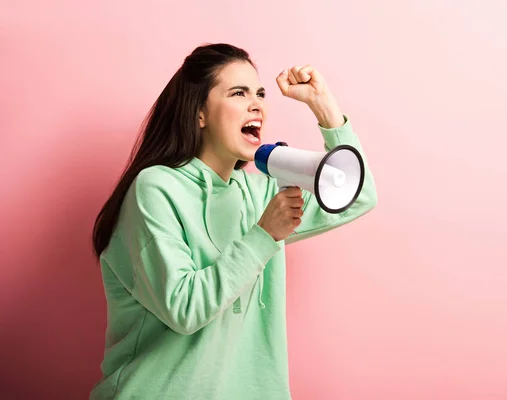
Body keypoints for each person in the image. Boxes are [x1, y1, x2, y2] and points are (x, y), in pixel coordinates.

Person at [89, 43, 377, 400]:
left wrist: (323, 105)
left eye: (259, 93)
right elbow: (185, 310)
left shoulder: (260, 192)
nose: (256, 104)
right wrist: (264, 234)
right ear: (199, 114)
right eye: (238, 93)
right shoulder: (157, 188)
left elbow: (357, 195)